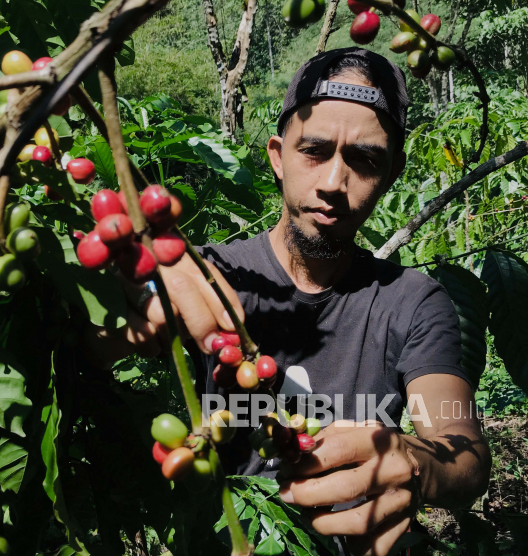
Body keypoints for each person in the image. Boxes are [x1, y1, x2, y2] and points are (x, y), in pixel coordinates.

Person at [83, 47, 491, 556]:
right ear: (277, 157)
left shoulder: (411, 301)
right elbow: (75, 349)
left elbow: (465, 452)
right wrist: (125, 321)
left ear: (391, 174)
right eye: (314, 151)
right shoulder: (210, 279)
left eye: (364, 160)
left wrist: (415, 460)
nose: (332, 184)